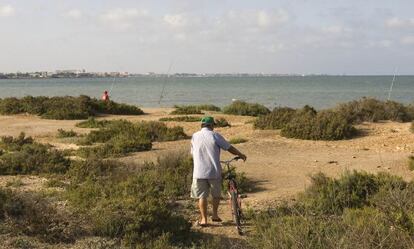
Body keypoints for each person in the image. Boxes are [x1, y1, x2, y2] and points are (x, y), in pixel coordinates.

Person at [190, 116, 247, 227]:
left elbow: (192, 153)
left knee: (202, 196)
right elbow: (229, 147)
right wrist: (240, 154)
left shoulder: (194, 136)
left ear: (201, 125)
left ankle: (204, 220)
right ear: (212, 125)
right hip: (213, 171)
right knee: (216, 195)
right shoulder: (215, 135)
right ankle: (215, 215)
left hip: (198, 172)